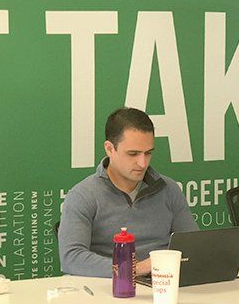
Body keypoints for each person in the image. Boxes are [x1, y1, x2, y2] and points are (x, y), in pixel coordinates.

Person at [59, 107, 198, 277]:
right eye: (133, 154)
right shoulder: (82, 195)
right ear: (110, 149)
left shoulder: (168, 189)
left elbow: (193, 246)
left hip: (164, 283)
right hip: (109, 289)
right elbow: (72, 258)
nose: (142, 163)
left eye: (148, 153)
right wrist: (133, 269)